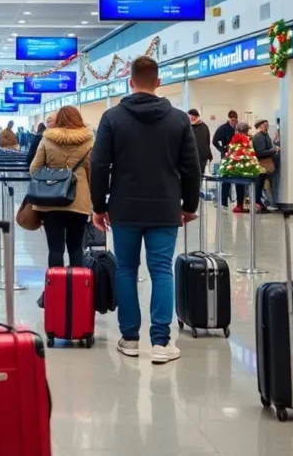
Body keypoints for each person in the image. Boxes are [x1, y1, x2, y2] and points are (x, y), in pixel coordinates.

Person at [90, 56, 200, 364]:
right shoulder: (179, 119)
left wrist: (99, 206)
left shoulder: (112, 118)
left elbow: (99, 165)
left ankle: (130, 338)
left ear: (130, 82)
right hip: (165, 207)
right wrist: (189, 205)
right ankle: (162, 343)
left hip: (123, 207)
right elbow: (192, 167)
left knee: (126, 269)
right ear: (159, 82)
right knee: (161, 270)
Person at [29, 106, 93, 271]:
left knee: (55, 249)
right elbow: (92, 173)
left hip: (51, 200)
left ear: (58, 121)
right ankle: (77, 291)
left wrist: (52, 173)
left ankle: (57, 292)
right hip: (79, 201)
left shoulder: (47, 139)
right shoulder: (88, 141)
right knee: (76, 248)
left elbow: (34, 169)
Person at [212, 110, 239, 207]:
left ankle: (238, 202)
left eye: (235, 120)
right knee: (226, 178)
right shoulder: (223, 128)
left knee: (238, 178)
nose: (234, 122)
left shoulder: (238, 128)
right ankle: (224, 201)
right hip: (227, 155)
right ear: (229, 119)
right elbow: (214, 141)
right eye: (232, 120)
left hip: (238, 155)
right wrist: (222, 149)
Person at [251, 119, 279, 212]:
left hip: (265, 163)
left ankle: (261, 204)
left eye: (267, 125)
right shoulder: (259, 137)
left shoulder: (265, 135)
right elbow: (260, 152)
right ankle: (259, 204)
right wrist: (273, 150)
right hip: (262, 163)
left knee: (261, 184)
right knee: (260, 185)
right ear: (260, 126)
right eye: (265, 125)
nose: (267, 126)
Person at [188, 109, 212, 175]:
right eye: (190, 117)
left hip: (202, 156)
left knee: (200, 176)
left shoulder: (204, 127)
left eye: (193, 117)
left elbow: (207, 142)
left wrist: (208, 156)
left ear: (197, 117)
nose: (192, 119)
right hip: (190, 156)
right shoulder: (188, 127)